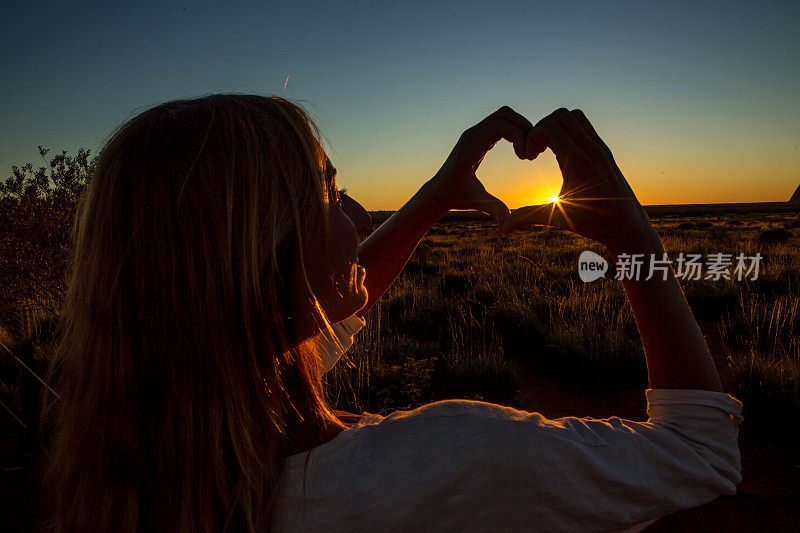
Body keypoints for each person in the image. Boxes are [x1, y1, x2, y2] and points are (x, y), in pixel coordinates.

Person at [41, 95, 741, 532]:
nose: (354, 210)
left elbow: (309, 317)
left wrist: (437, 196)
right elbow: (700, 454)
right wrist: (633, 236)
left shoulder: (143, 468)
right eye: (326, 192)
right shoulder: (453, 459)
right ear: (258, 257)